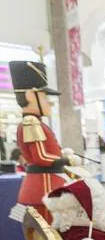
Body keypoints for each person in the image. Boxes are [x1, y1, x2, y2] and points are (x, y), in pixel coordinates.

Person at [8, 61, 79, 223]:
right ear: (30, 96)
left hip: (41, 185)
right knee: (49, 233)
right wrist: (66, 159)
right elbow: (40, 157)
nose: (50, 103)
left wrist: (61, 153)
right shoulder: (31, 122)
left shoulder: (35, 122)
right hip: (43, 187)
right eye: (45, 97)